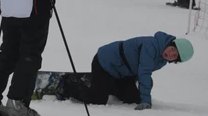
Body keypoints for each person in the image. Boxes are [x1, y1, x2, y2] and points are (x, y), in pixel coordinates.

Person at [62, 33, 193, 107]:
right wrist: (146, 100)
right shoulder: (151, 46)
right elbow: (144, 72)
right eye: (172, 49)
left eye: (174, 56)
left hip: (122, 74)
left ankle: (108, 85)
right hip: (105, 63)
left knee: (133, 99)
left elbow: (140, 72)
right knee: (98, 100)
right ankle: (68, 83)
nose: (170, 54)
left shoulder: (162, 60)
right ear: (171, 44)